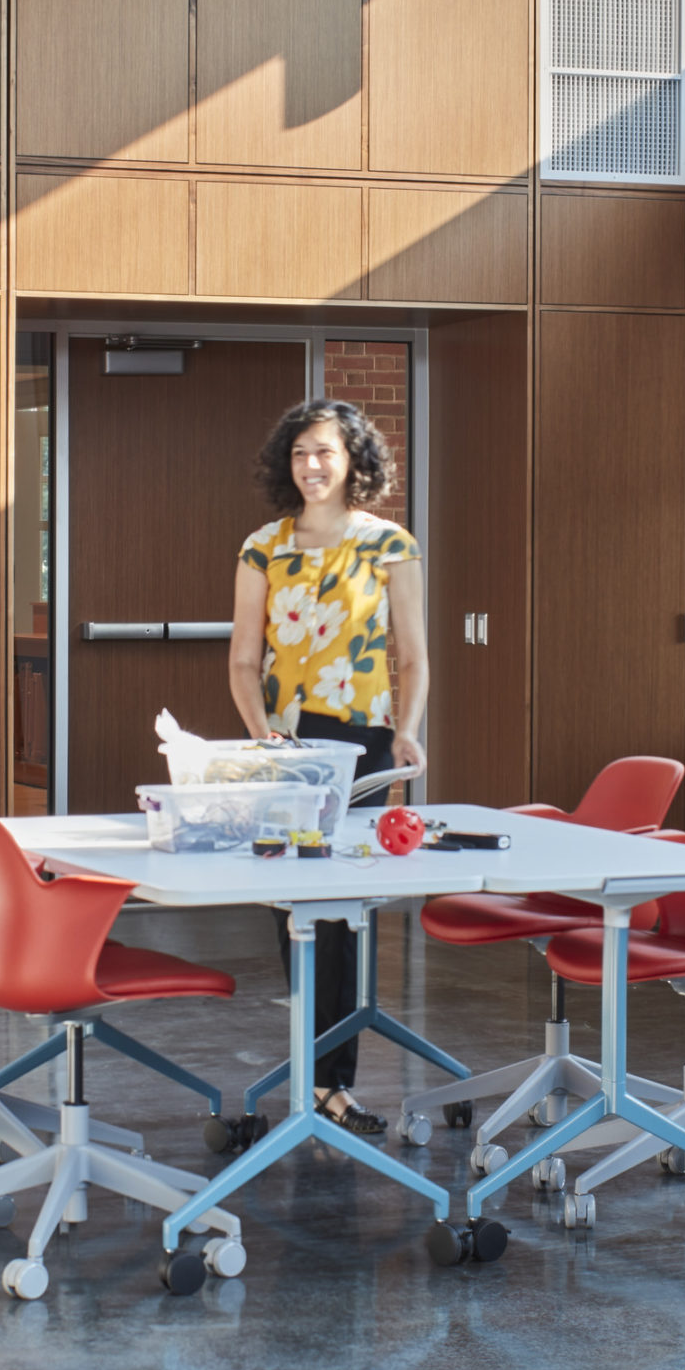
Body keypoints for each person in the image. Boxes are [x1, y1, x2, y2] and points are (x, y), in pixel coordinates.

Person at [229, 398, 427, 1136]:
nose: (312, 466)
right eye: (301, 453)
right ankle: (317, 1077)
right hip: (286, 746)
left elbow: (413, 656)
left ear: (354, 463)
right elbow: (244, 660)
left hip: (364, 743)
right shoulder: (263, 547)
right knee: (292, 913)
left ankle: (332, 1082)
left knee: (347, 912)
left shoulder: (389, 545)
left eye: (326, 453)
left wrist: (405, 732)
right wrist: (260, 736)